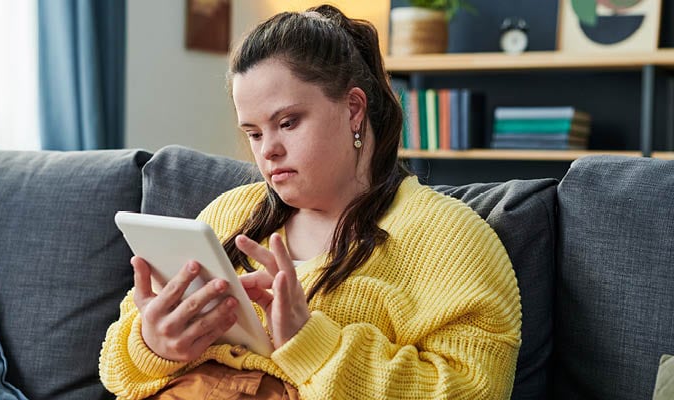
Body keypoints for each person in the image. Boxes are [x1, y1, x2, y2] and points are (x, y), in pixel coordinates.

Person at [100, 5, 521, 399]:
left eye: (287, 123)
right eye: (254, 132)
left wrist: (311, 343)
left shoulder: (449, 238)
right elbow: (115, 368)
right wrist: (151, 344)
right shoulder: (229, 213)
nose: (268, 151)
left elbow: (476, 388)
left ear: (354, 109)